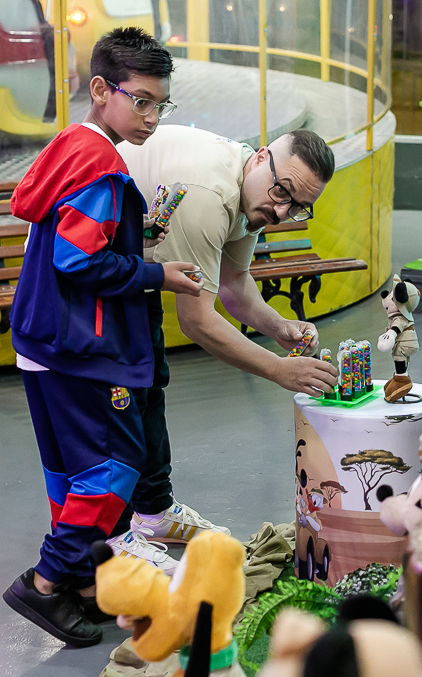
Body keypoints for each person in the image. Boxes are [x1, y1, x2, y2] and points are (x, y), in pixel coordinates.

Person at [1, 28, 203, 648]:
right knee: (113, 470)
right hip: (83, 348)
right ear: (100, 90)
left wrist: (132, 234)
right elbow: (76, 261)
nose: (150, 116)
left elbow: (69, 240)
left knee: (71, 473)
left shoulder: (70, 146)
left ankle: (85, 586)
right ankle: (43, 582)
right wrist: (157, 272)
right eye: (140, 100)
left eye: (159, 103)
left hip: (45, 341)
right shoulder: (102, 165)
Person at [113, 126, 340, 552]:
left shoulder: (255, 196)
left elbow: (233, 284)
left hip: (130, 269)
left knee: (149, 380)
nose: (281, 210)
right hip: (84, 274)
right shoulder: (209, 196)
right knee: (120, 397)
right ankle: (114, 536)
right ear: (258, 158)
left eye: (298, 207)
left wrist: (281, 328)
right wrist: (277, 368)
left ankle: (154, 511)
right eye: (282, 192)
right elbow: (197, 321)